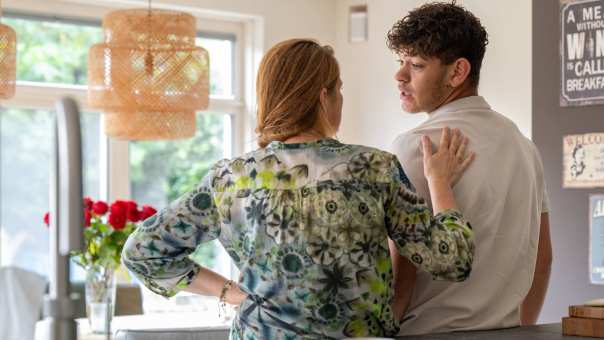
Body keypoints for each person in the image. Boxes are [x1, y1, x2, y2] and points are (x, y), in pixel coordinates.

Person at [122, 38, 475, 339]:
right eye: (338, 91)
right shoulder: (374, 168)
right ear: (324, 97)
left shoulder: (231, 179)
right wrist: (440, 183)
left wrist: (231, 293)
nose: (340, 100)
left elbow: (142, 252)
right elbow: (452, 260)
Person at [387, 2, 552, 335]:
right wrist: (521, 327)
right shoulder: (525, 148)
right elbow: (543, 259)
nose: (400, 76)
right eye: (400, 62)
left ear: (457, 72)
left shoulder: (414, 146)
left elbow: (398, 271)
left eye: (416, 65)